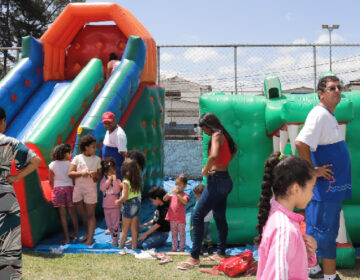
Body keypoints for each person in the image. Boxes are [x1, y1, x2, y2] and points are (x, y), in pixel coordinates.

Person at [295, 75, 351, 280]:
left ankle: (313, 269)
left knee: (318, 229)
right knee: (326, 231)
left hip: (330, 189)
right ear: (320, 93)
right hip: (324, 189)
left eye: (339, 87)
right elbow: (301, 143)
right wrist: (313, 170)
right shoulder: (319, 114)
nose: (337, 90)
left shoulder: (328, 115)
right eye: (331, 88)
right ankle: (329, 276)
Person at [178, 112, 237, 270]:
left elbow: (214, 155)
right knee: (219, 216)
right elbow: (232, 152)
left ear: (209, 125)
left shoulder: (216, 135)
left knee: (197, 215)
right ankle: (221, 252)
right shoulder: (224, 135)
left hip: (217, 181)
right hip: (225, 180)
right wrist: (220, 166)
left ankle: (194, 257)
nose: (203, 131)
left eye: (204, 128)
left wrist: (205, 170)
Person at [255, 152, 318, 280]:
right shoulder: (284, 229)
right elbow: (277, 275)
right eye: (312, 188)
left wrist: (305, 254)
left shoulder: (277, 216)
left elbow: (286, 263)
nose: (313, 195)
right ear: (296, 189)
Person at [0, 107, 41, 279]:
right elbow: (36, 160)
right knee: (8, 246)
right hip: (4, 197)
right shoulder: (9, 142)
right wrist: (17, 177)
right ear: (2, 121)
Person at [68, 134, 102, 246]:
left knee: (90, 215)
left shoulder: (97, 159)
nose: (95, 149)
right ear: (86, 147)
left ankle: (90, 238)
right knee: (82, 214)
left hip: (90, 191)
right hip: (78, 190)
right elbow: (70, 173)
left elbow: (99, 176)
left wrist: (95, 175)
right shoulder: (77, 158)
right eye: (93, 146)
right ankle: (87, 233)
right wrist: (82, 173)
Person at [49, 144, 79, 244]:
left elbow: (51, 181)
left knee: (62, 215)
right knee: (72, 213)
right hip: (69, 189)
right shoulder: (70, 164)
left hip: (58, 189)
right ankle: (76, 234)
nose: (71, 154)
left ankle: (66, 238)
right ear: (66, 154)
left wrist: (53, 188)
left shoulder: (52, 165)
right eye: (70, 152)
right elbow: (73, 178)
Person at [115, 158, 142, 249]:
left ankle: (121, 246)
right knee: (134, 228)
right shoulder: (136, 180)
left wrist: (118, 201)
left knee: (125, 228)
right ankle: (134, 246)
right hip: (137, 203)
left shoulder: (126, 181)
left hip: (129, 204)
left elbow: (125, 197)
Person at [163, 174, 190, 252]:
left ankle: (182, 248)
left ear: (185, 186)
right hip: (172, 218)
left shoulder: (185, 195)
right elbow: (164, 199)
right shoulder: (173, 193)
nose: (177, 186)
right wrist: (169, 192)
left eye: (179, 185)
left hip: (181, 219)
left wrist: (177, 194)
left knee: (182, 235)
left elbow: (184, 202)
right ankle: (174, 248)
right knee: (174, 235)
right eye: (176, 184)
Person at [100, 157, 121, 246]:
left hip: (115, 207)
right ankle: (113, 238)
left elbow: (116, 191)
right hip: (106, 207)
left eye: (114, 171)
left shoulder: (118, 181)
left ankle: (115, 241)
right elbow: (102, 188)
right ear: (105, 173)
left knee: (115, 225)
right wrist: (109, 180)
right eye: (110, 172)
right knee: (109, 225)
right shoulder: (104, 181)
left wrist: (115, 180)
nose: (113, 174)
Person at [102, 111, 127, 180]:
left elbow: (124, 153)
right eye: (105, 123)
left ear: (114, 120)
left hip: (115, 168)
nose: (107, 125)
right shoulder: (109, 130)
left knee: (115, 188)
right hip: (108, 167)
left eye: (109, 123)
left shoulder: (119, 134)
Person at [193, 183, 213, 255]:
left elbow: (198, 214)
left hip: (201, 223)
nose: (195, 197)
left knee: (200, 237)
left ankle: (200, 250)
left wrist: (195, 225)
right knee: (208, 236)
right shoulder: (208, 202)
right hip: (207, 222)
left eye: (196, 195)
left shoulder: (200, 203)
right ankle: (210, 247)